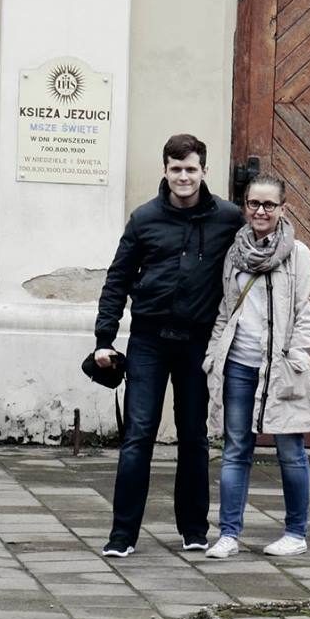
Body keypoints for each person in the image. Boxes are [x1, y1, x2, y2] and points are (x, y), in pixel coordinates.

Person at [93, 133, 244, 557]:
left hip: (198, 343)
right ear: (165, 170)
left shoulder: (229, 218)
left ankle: (194, 530)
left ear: (204, 171)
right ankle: (122, 536)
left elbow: (263, 252)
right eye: (176, 169)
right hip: (149, 341)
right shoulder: (144, 219)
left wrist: (302, 287)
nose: (183, 177)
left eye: (191, 169)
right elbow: (117, 279)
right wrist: (104, 338)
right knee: (138, 436)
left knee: (194, 437)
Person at [201, 170, 310, 558]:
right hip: (239, 364)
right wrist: (213, 354)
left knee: (290, 450)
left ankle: (296, 534)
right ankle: (228, 534)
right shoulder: (234, 254)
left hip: (281, 367)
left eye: (269, 204)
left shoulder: (298, 254)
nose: (261, 211)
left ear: (284, 208)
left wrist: (299, 356)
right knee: (236, 449)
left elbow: (306, 312)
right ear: (245, 207)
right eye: (254, 203)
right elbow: (226, 309)